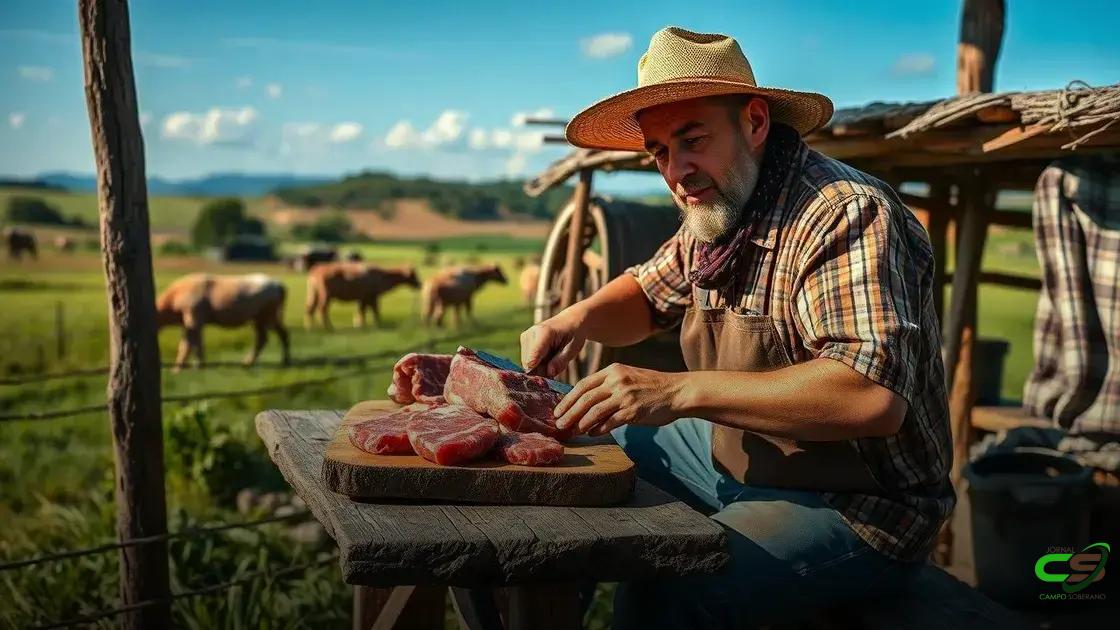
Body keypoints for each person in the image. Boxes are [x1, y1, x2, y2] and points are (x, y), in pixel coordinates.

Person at [519, 27, 954, 628]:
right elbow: (647, 295)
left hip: (857, 505)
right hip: (737, 459)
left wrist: (676, 392)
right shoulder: (719, 210)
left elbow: (871, 397)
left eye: (691, 140)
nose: (677, 171)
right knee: (580, 448)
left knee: (666, 586)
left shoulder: (845, 214)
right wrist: (572, 320)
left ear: (754, 123)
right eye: (660, 152)